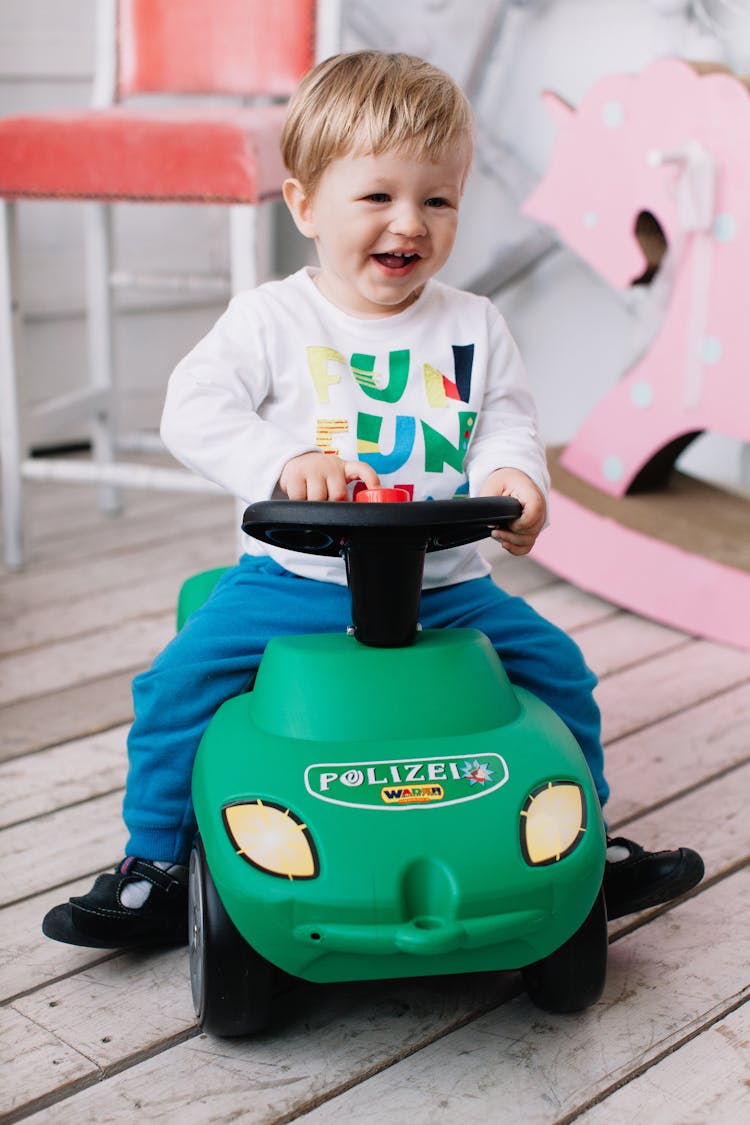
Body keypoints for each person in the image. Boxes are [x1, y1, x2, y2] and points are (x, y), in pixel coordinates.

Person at [42, 50, 703, 950]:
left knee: (560, 672)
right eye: (379, 197)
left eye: (438, 200)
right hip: (295, 579)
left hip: (447, 585)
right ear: (306, 203)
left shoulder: (473, 324)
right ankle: (153, 862)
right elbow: (191, 411)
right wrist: (283, 459)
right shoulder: (271, 321)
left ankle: (588, 837)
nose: (411, 223)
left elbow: (505, 420)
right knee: (177, 683)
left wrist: (517, 479)